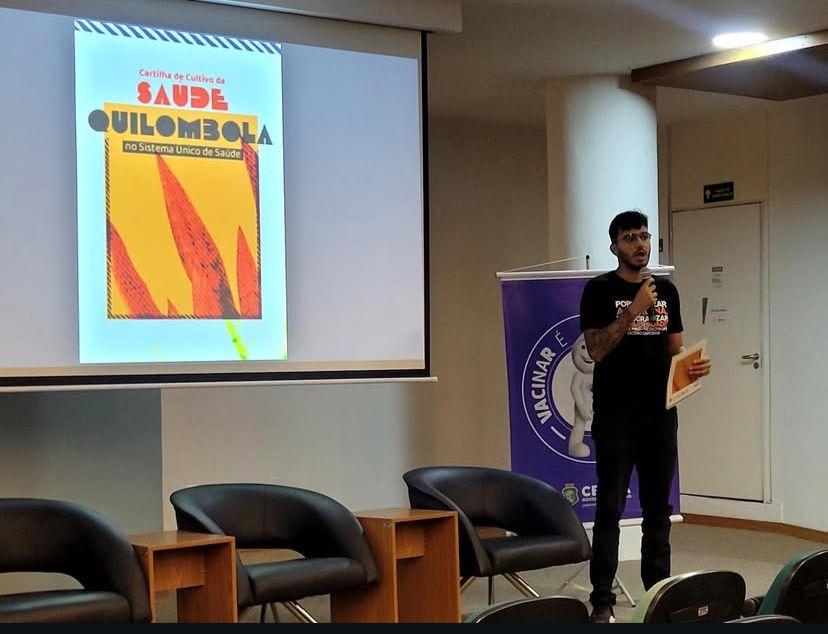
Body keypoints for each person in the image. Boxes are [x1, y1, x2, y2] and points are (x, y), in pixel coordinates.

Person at [579, 210, 711, 623]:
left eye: (644, 236)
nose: (640, 244)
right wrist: (634, 309)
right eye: (630, 237)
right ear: (614, 245)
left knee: (658, 511)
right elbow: (597, 349)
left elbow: (675, 348)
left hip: (658, 416)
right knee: (610, 509)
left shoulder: (666, 291)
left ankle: (658, 595)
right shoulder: (599, 290)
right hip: (616, 416)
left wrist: (692, 367)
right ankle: (602, 598)